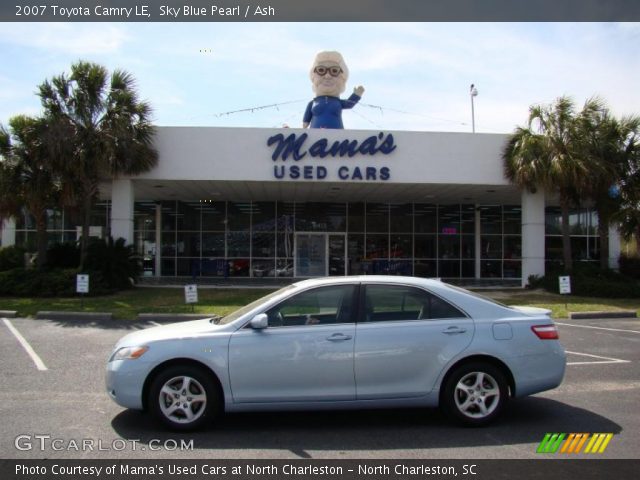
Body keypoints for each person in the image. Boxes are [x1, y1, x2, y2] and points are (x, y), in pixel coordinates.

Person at [303, 51, 365, 129]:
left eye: (334, 71)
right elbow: (305, 123)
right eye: (321, 70)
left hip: (337, 137)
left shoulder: (338, 102)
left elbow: (349, 104)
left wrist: (356, 95)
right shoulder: (312, 103)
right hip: (314, 138)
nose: (327, 76)